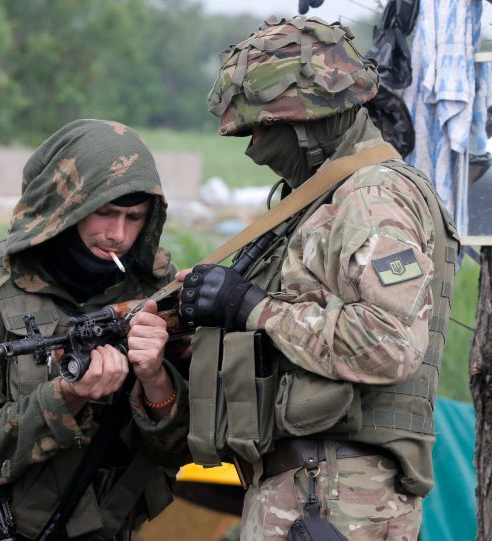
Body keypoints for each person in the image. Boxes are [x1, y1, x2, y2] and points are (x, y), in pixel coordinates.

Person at [179, 16, 459, 541]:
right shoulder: (324, 196)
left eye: (263, 128)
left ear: (308, 120)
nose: (253, 146)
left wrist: (252, 307)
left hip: (336, 496)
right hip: (314, 487)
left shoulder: (372, 198)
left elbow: (388, 343)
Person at [0, 119, 189, 540]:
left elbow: (178, 450)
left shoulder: (156, 287)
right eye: (104, 212)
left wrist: (156, 380)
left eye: (134, 217)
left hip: (112, 526)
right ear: (66, 204)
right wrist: (67, 395)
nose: (118, 235)